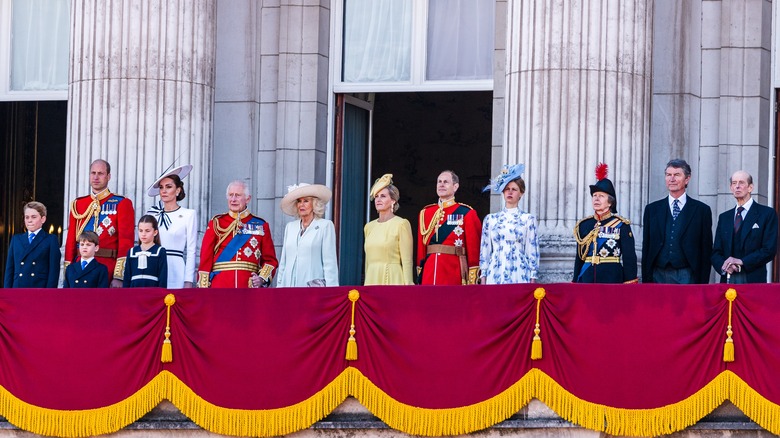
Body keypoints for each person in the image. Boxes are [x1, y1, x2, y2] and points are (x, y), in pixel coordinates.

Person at [64, 159, 135, 287]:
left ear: (108, 176)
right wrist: (68, 271)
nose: (96, 177)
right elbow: (71, 242)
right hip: (80, 268)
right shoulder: (78, 204)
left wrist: (119, 275)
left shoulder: (122, 203)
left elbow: (126, 241)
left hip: (108, 267)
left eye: (101, 173)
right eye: (93, 173)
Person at [642, 159, 713, 284]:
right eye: (668, 175)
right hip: (657, 274)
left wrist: (702, 283)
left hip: (688, 275)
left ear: (687, 179)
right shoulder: (652, 210)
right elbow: (646, 247)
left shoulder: (702, 211)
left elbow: (706, 250)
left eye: (677, 175)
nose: (672, 179)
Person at [198, 180, 278, 288]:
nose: (233, 199)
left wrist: (261, 279)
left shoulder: (260, 225)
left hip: (248, 287)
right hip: (220, 286)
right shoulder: (216, 223)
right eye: (231, 195)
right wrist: (204, 288)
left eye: (238, 195)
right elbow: (205, 258)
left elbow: (270, 260)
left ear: (248, 199)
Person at [573, 163, 638, 283]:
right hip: (586, 278)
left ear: (610, 203)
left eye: (601, 196)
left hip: (611, 279)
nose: (596, 199)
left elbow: (629, 258)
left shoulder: (621, 225)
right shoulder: (584, 225)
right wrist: (575, 280)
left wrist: (630, 282)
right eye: (594, 196)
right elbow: (579, 258)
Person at [711, 170, 778, 283]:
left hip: (753, 278)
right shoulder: (724, 217)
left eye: (741, 183)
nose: (737, 186)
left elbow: (769, 249)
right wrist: (724, 266)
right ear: (731, 188)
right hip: (727, 278)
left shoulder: (766, 214)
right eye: (734, 183)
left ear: (750, 187)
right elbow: (716, 252)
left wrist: (742, 261)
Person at [417, 170, 482, 285]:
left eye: (446, 182)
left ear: (455, 187)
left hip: (454, 271)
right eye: (439, 182)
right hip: (429, 271)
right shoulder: (426, 213)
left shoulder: (466, 213)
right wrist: (420, 272)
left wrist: (472, 277)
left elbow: (474, 249)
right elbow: (421, 249)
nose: (441, 185)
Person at [479, 164, 539, 284]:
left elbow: (532, 248)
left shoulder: (528, 219)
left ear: (521, 193)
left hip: (520, 272)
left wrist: (533, 276)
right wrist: (483, 275)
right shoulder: (491, 219)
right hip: (495, 271)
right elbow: (485, 249)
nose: (510, 192)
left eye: (514, 189)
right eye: (507, 189)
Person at [276, 183, 339, 287]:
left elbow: (330, 263)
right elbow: (283, 262)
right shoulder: (290, 227)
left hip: (312, 289)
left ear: (314, 204)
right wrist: (279, 287)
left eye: (306, 201)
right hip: (288, 288)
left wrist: (331, 291)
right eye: (299, 201)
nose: (301, 204)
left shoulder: (325, 226)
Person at [146, 164, 197, 288]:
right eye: (161, 187)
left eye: (168, 187)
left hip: (176, 268)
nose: (164, 191)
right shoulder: (152, 214)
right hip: (154, 266)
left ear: (178, 190)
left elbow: (191, 250)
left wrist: (188, 280)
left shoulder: (188, 214)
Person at [363, 174, 414, 285]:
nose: (378, 199)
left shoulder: (401, 224)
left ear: (393, 201)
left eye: (383, 196)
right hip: (372, 279)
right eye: (376, 196)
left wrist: (409, 285)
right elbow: (368, 261)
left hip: (392, 278)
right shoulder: (369, 227)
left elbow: (407, 261)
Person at [3, 201, 61, 288]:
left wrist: (49, 294)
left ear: (43, 219)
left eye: (34, 217)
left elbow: (54, 271)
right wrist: (6, 293)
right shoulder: (16, 239)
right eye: (27, 217)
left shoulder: (51, 239)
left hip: (39, 289)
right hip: (17, 288)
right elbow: (9, 269)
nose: (29, 220)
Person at [122, 215, 168, 288]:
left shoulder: (160, 251)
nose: (143, 234)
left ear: (155, 232)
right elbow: (127, 278)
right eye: (140, 230)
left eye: (147, 231)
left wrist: (161, 295)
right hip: (134, 292)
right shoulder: (131, 252)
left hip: (153, 292)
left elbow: (163, 278)